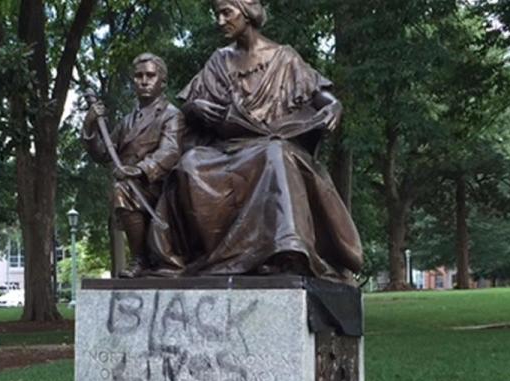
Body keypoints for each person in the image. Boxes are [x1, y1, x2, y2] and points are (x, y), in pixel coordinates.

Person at [149, 0, 363, 282]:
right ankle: (216, 256)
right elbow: (189, 105)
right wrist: (196, 108)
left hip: (272, 143)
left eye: (227, 12)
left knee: (275, 154)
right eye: (217, 14)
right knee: (190, 163)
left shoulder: (284, 58)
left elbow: (322, 97)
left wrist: (334, 106)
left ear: (247, 13)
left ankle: (286, 250)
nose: (220, 21)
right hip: (228, 149)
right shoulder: (219, 61)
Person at [83, 53, 184, 277]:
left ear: (162, 82)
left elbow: (170, 151)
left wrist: (139, 169)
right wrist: (89, 125)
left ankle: (141, 260)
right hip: (131, 186)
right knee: (123, 189)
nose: (144, 81)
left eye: (150, 75)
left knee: (124, 189)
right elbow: (102, 153)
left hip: (160, 186)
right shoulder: (127, 121)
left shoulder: (171, 115)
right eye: (139, 76)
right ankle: (140, 258)